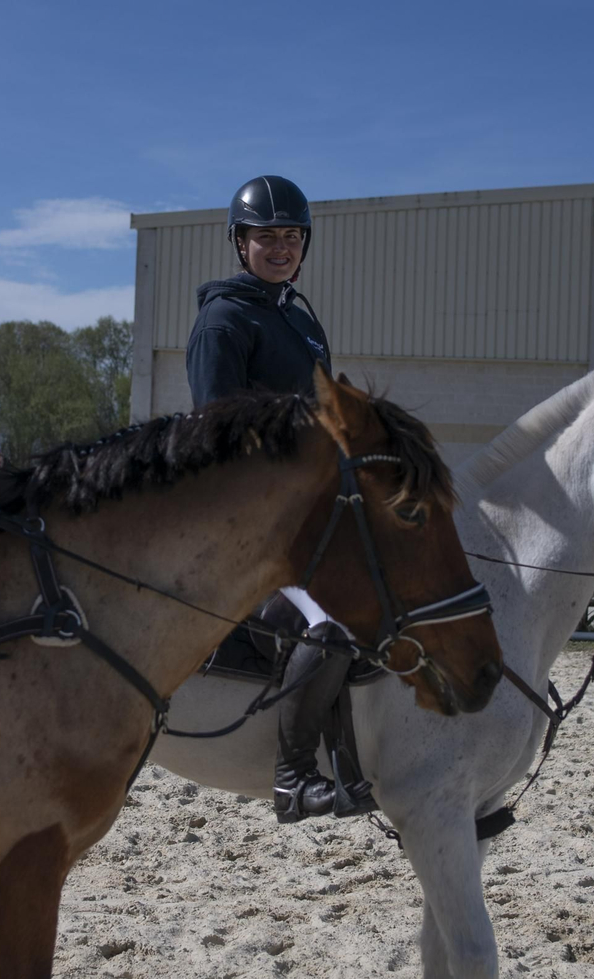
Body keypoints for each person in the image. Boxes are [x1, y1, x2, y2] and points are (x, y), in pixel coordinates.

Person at [184, 175, 373, 824]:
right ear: (240, 244)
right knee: (327, 625)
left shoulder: (298, 316)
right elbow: (218, 431)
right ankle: (293, 776)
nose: (281, 247)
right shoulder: (225, 320)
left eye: (291, 236)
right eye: (266, 237)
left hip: (311, 511)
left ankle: (355, 761)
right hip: (254, 522)